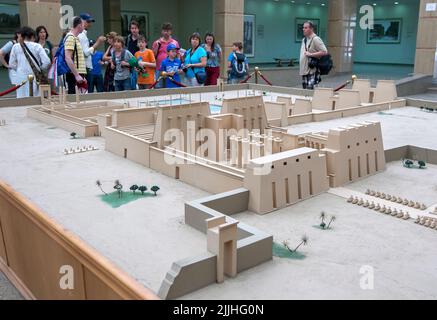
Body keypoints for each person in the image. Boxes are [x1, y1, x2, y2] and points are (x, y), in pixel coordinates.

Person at [8, 26, 50, 98]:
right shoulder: (37, 46)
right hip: (34, 75)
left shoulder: (16, 47)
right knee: (35, 98)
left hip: (20, 77)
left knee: (21, 98)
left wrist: (18, 69)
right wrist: (40, 69)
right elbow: (47, 62)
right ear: (32, 36)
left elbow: (12, 64)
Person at [78, 13, 106, 89]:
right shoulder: (81, 35)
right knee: (87, 94)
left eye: (90, 22)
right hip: (85, 69)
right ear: (81, 22)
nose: (90, 24)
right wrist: (98, 42)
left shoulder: (82, 34)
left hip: (85, 69)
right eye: (88, 22)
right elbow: (86, 53)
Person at [299, 20, 328, 90]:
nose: (303, 29)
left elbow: (324, 52)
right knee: (305, 92)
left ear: (311, 29)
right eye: (303, 27)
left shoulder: (316, 39)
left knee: (311, 92)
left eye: (306, 28)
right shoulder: (304, 40)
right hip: (304, 70)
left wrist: (311, 54)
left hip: (312, 71)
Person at [64, 16, 87, 94]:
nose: (84, 26)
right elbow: (67, 57)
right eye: (83, 24)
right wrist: (77, 75)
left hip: (77, 74)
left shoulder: (74, 38)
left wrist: (82, 75)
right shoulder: (71, 38)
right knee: (74, 101)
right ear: (79, 25)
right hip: (74, 75)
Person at [152, 23, 179, 88]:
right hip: (159, 68)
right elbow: (153, 56)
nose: (166, 32)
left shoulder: (175, 43)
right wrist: (156, 48)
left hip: (171, 69)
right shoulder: (157, 42)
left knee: (171, 87)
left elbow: (178, 56)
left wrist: (177, 67)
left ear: (171, 31)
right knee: (159, 88)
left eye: (168, 31)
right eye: (164, 30)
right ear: (162, 31)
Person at [125, 20, 142, 90]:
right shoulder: (127, 39)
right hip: (129, 64)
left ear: (138, 29)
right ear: (130, 29)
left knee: (138, 84)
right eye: (132, 28)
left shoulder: (141, 39)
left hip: (138, 63)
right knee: (130, 84)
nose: (134, 30)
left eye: (135, 28)